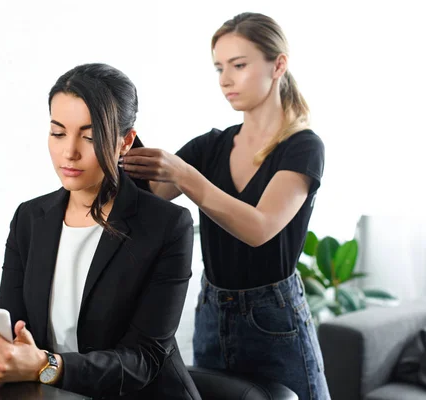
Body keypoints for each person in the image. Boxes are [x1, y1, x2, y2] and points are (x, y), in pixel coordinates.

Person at [0, 63, 201, 400]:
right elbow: (16, 328)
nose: (69, 151)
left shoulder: (167, 226)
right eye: (58, 133)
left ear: (124, 142)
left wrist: (46, 365)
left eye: (90, 136)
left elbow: (143, 360)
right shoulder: (29, 218)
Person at [121, 12, 330, 400]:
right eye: (219, 67)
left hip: (275, 319)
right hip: (212, 313)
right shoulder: (210, 146)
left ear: (278, 64)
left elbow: (260, 227)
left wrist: (186, 176)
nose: (225, 80)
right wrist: (114, 135)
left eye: (239, 65)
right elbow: (145, 199)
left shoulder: (303, 147)